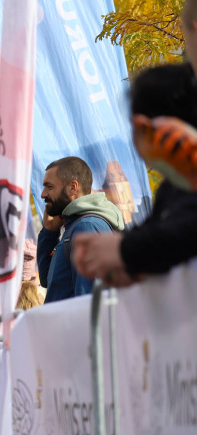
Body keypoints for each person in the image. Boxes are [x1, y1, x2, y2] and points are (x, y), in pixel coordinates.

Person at [74, 62, 197, 287]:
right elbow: (157, 235)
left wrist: (123, 251)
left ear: (142, 127)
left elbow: (179, 233)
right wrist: (129, 262)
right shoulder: (171, 190)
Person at [37, 156, 124, 303]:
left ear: (72, 188)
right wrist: (49, 233)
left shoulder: (86, 227)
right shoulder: (76, 226)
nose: (43, 194)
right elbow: (50, 282)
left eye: (49, 187)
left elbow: (90, 303)